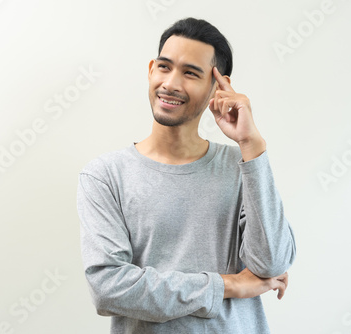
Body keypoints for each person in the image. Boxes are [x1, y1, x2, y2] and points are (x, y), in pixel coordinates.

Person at [77, 17, 296, 334]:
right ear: (151, 69)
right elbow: (108, 288)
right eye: (165, 67)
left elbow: (272, 263)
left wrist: (252, 144)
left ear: (216, 87)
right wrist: (228, 285)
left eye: (190, 73)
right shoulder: (104, 176)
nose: (171, 83)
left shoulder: (243, 166)